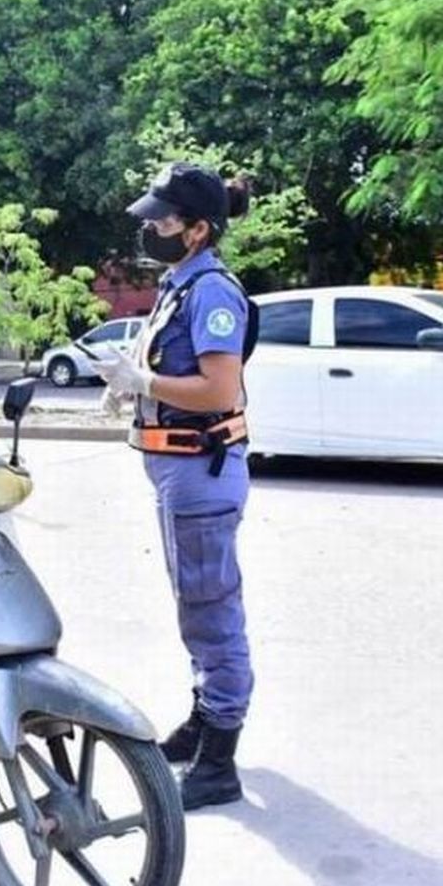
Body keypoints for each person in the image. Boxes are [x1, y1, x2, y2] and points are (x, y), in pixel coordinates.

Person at [92, 162, 255, 811]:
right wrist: (127, 388)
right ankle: (204, 716)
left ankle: (220, 757)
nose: (151, 228)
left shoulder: (212, 291)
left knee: (212, 609)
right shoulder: (179, 285)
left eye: (162, 220)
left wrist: (143, 384)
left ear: (197, 230)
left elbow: (219, 388)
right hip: (177, 468)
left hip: (201, 471)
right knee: (196, 602)